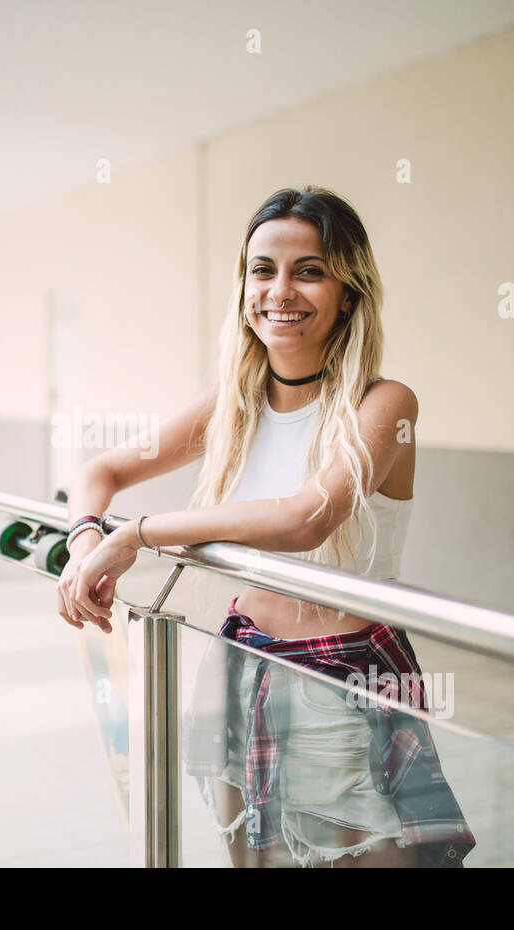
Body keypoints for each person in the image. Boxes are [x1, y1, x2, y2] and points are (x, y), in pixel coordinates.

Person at [56, 186, 474, 867]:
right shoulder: (234, 404)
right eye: (262, 269)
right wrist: (85, 545)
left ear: (349, 289)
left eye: (309, 269)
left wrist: (134, 534)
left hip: (343, 681)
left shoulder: (385, 402)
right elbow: (99, 470)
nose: (280, 290)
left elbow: (306, 517)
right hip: (236, 666)